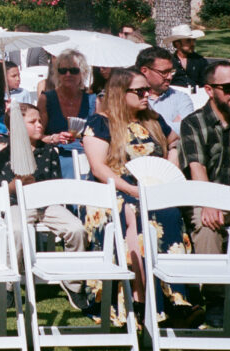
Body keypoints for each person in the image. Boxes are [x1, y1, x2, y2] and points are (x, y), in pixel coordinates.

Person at [81, 68, 197, 325]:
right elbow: (99, 168)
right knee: (133, 213)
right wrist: (131, 190)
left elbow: (175, 142)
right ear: (120, 93)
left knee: (168, 213)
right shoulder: (100, 123)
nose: (148, 94)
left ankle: (173, 299)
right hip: (112, 193)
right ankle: (142, 299)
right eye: (140, 90)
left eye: (148, 89)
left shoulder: (153, 119)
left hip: (154, 191)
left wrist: (172, 160)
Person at [177, 61, 230, 327]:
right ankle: (216, 304)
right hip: (205, 197)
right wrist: (209, 202)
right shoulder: (193, 124)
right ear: (210, 90)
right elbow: (196, 166)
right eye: (229, 87)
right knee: (207, 225)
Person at [0, 102, 90, 310]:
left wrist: (42, 188)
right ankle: (10, 283)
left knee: (76, 229)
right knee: (17, 231)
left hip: (47, 205)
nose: (39, 125)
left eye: (40, 120)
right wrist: (18, 182)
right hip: (17, 205)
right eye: (32, 122)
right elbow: (3, 189)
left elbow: (55, 184)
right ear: (17, 128)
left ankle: (73, 283)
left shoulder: (49, 152)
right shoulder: (5, 155)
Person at [37, 49, 96, 179]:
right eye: (63, 71)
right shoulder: (46, 99)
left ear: (83, 73)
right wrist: (54, 138)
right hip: (57, 155)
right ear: (57, 74)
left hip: (88, 155)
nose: (68, 74)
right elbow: (37, 136)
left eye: (74, 71)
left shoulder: (93, 100)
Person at [136, 46, 194, 133]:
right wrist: (172, 126)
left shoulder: (181, 98)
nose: (170, 77)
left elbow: (187, 129)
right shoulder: (132, 97)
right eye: (164, 72)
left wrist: (146, 126)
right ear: (144, 71)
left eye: (171, 71)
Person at [166, 24, 208, 89]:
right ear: (177, 44)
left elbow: (207, 81)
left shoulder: (200, 61)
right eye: (188, 41)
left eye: (193, 40)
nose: (192, 44)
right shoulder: (169, 62)